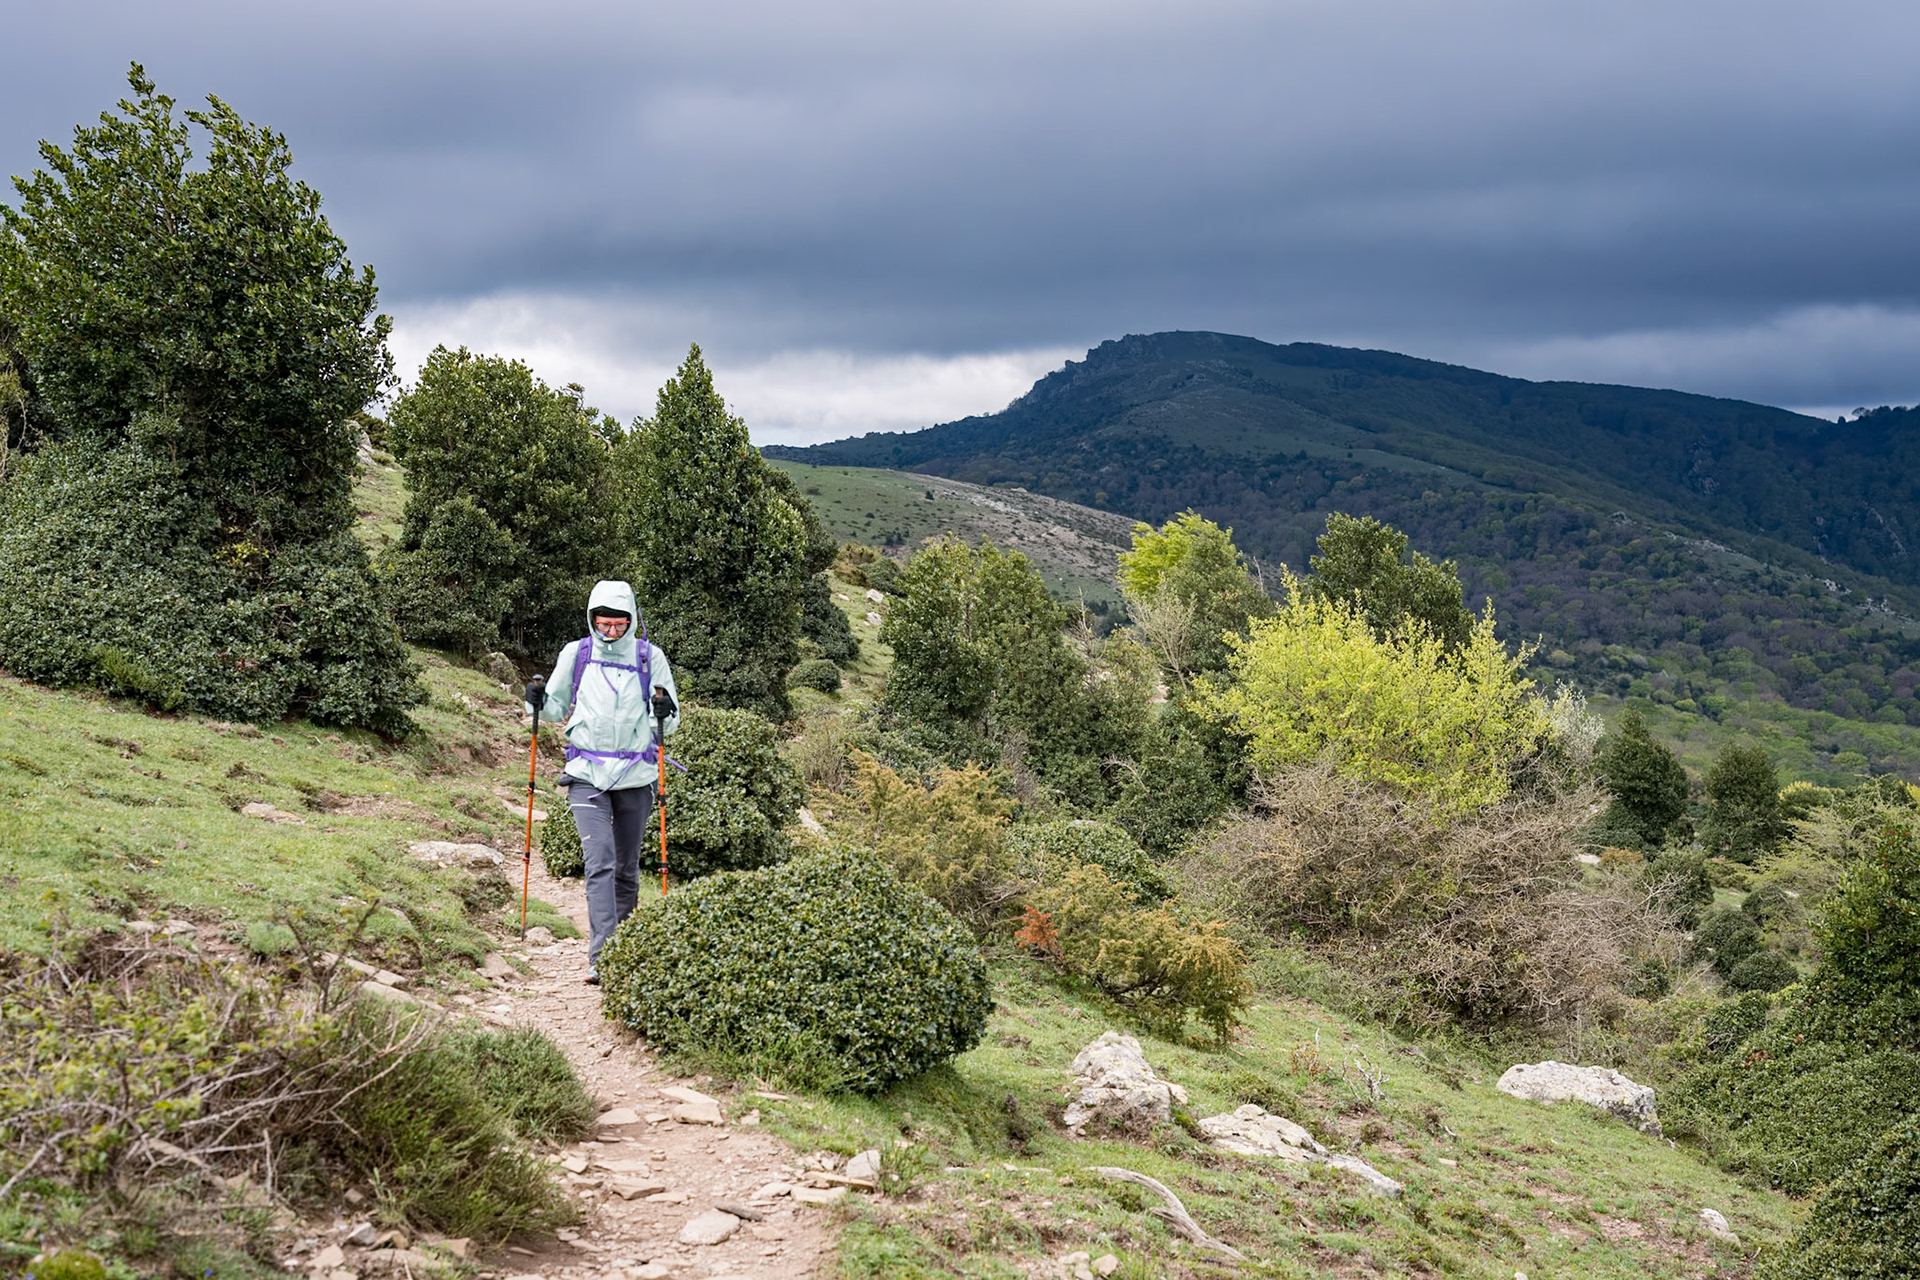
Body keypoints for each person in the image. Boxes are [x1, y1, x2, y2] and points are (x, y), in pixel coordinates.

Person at [526, 580, 680, 983]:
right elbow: (555, 707)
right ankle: (602, 957)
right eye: (604, 623)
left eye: (619, 624)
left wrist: (663, 711)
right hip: (585, 774)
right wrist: (535, 700)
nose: (611, 631)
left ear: (631, 621)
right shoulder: (576, 653)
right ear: (592, 619)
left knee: (627, 868)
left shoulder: (650, 657)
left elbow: (671, 720)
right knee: (600, 863)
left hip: (635, 775)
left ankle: (623, 950)